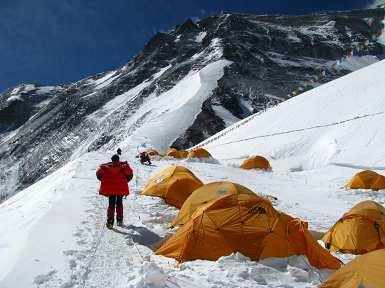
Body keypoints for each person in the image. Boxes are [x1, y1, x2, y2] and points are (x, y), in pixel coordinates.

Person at [96, 154, 133, 229]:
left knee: (111, 205)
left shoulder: (105, 168)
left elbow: (98, 174)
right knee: (119, 204)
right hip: (121, 188)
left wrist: (104, 181)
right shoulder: (124, 167)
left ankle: (110, 222)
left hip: (110, 190)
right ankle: (119, 220)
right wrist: (125, 181)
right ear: (118, 160)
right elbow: (130, 174)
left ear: (112, 160)